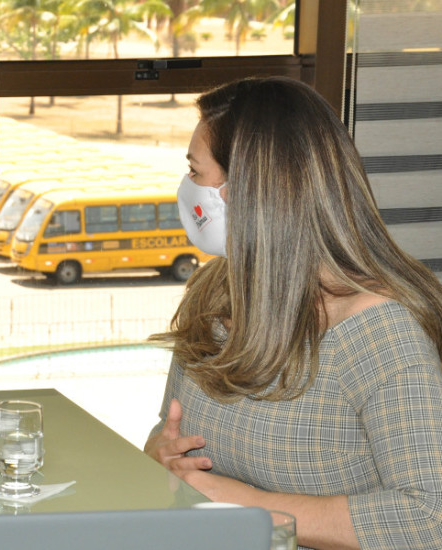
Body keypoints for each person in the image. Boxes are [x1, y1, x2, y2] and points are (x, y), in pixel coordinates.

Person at [144, 77, 442, 550]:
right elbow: (170, 429)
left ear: (249, 192)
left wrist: (241, 503)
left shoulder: (380, 334)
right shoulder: (216, 290)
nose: (188, 187)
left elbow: (429, 519)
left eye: (195, 171)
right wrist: (158, 453)